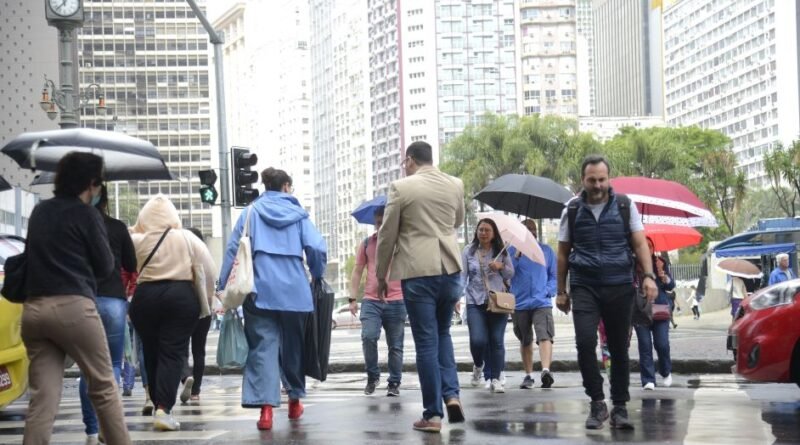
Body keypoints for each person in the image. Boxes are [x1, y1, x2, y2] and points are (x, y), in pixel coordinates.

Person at [21, 152, 131, 445]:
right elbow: (106, 265)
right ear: (91, 183)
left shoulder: (40, 212)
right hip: (73, 308)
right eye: (99, 183)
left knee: (42, 397)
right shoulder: (87, 214)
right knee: (103, 385)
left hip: (33, 311)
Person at [218, 168, 327, 431]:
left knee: (263, 348)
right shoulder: (300, 216)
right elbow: (316, 248)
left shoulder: (250, 213)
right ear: (286, 186)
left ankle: (266, 411)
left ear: (265, 186)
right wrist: (316, 274)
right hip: (295, 292)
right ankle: (294, 401)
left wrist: (223, 285)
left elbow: (234, 249)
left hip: (259, 290)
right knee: (294, 346)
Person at [556, 154, 658, 430]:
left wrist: (648, 276)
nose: (598, 185)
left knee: (618, 348)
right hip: (584, 285)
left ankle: (620, 406)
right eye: (592, 180)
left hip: (619, 285)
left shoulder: (625, 206)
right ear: (583, 180)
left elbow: (639, 245)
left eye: (602, 179)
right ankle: (597, 403)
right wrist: (561, 290)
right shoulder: (573, 209)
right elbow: (563, 253)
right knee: (585, 342)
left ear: (608, 178)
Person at [375, 141, 466, 433]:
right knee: (443, 333)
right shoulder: (455, 184)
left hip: (418, 271)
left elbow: (387, 235)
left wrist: (380, 275)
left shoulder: (401, 188)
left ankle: (433, 415)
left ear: (410, 160)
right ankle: (451, 395)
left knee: (426, 342)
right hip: (450, 269)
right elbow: (458, 221)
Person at [128, 195, 218, 431]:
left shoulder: (136, 239)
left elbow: (121, 265)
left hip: (145, 297)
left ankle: (157, 399)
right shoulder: (186, 237)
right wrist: (208, 296)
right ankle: (163, 409)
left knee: (151, 350)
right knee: (173, 352)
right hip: (180, 297)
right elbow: (209, 270)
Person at [77, 185, 138, 445]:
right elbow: (131, 265)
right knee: (113, 364)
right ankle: (108, 424)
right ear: (104, 196)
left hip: (82, 299)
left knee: (86, 368)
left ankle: (91, 430)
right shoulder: (117, 226)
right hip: (113, 299)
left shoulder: (74, 227)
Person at [348, 207, 406, 396]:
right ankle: (373, 376)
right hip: (371, 300)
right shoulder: (366, 243)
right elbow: (357, 271)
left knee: (395, 345)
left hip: (397, 300)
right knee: (368, 336)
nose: (380, 225)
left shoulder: (402, 243)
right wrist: (352, 298)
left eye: (384, 222)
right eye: (378, 222)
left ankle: (394, 383)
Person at [461, 218, 514, 393]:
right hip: (474, 301)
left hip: (497, 301)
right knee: (478, 340)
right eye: (481, 229)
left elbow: (511, 273)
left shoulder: (502, 251)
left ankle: (496, 378)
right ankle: (479, 364)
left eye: (487, 230)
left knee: (496, 341)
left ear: (493, 234)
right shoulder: (469, 251)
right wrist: (456, 297)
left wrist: (500, 266)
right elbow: (462, 276)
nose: (483, 233)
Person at [510, 219, 557, 390]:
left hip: (541, 301)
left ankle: (546, 371)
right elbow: (507, 274)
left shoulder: (546, 251)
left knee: (545, 335)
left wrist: (548, 291)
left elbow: (554, 275)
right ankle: (528, 375)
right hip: (519, 303)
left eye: (533, 229)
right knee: (525, 339)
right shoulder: (510, 251)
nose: (530, 231)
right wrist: (516, 257)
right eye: (526, 229)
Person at [179, 227, 216, 403]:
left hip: (185, 309)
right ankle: (196, 391)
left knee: (181, 348)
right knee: (199, 351)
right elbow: (212, 287)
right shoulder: (207, 260)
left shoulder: (181, 260)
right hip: (205, 310)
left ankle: (186, 376)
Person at [633, 237, 675, 391]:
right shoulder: (632, 265)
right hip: (640, 310)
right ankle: (648, 379)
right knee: (645, 345)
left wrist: (663, 275)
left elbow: (671, 285)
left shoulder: (660, 262)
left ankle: (665, 371)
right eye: (645, 245)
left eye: (650, 246)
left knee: (662, 344)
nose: (647, 248)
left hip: (660, 309)